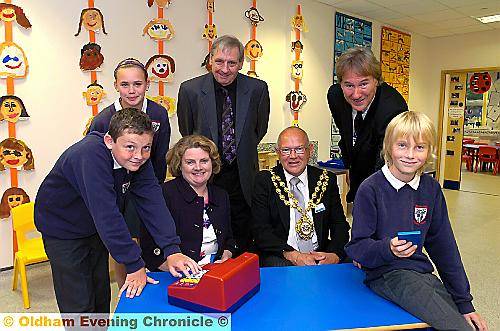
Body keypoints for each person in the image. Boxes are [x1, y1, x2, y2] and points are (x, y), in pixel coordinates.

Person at [35, 109, 200, 313]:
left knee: (100, 294)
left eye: (146, 148)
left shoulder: (137, 158)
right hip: (63, 230)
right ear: (109, 141)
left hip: (93, 227)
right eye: (130, 147)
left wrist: (172, 249)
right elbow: (107, 214)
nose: (138, 156)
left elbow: (153, 202)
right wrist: (134, 264)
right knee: (78, 301)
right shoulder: (88, 155)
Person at [345, 111, 488, 331]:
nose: (410, 154)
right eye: (402, 145)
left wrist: (464, 303)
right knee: (457, 327)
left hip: (419, 273)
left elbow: (444, 247)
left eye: (420, 147)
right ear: (389, 148)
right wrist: (388, 248)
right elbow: (357, 247)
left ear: (429, 151)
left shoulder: (430, 189)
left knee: (462, 319)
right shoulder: (370, 188)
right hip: (386, 273)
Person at [177, 35, 270, 254]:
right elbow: (187, 132)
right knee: (208, 238)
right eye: (219, 61)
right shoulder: (190, 90)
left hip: (243, 178)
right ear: (210, 60)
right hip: (205, 177)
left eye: (232, 63)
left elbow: (259, 129)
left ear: (241, 63)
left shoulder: (257, 89)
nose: (225, 69)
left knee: (243, 239)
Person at [88, 58, 171, 289]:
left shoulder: (159, 114)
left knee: (146, 234)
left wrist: (154, 189)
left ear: (147, 84)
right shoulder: (103, 119)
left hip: (144, 183)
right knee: (126, 238)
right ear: (115, 86)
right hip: (113, 189)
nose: (132, 91)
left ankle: (147, 276)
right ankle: (126, 287)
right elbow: (96, 160)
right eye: (125, 85)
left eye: (138, 84)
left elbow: (159, 154)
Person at [251, 127, 350, 267]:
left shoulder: (326, 179)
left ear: (309, 150)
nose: (293, 156)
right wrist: (293, 255)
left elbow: (339, 224)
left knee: (351, 264)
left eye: (299, 149)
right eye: (286, 150)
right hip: (282, 255)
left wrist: (334, 255)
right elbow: (260, 230)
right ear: (278, 152)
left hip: (319, 253)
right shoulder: (265, 181)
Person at [141, 135, 237, 270]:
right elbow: (149, 250)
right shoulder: (163, 195)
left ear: (212, 163)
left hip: (216, 272)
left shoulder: (221, 195)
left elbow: (229, 240)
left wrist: (227, 256)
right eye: (190, 162)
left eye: (204, 161)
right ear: (179, 165)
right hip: (174, 275)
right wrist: (181, 270)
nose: (198, 167)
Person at [327, 47, 407, 203]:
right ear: (341, 84)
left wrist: (367, 196)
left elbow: (386, 158)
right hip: (359, 170)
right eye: (349, 85)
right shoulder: (335, 96)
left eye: (363, 84)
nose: (356, 94)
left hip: (388, 179)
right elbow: (346, 136)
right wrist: (350, 166)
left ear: (376, 81)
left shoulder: (393, 108)